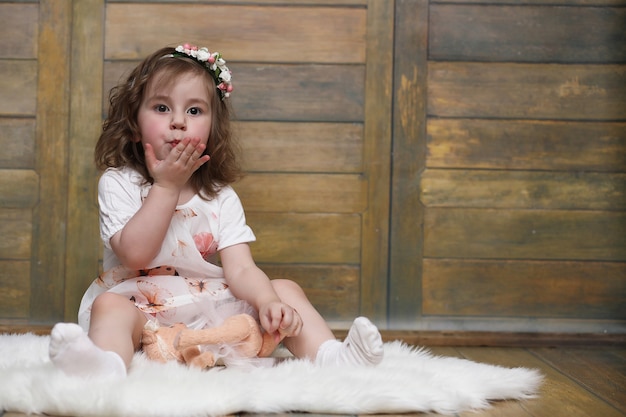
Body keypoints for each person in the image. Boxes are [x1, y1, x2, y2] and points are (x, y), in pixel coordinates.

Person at [49, 43, 383, 379]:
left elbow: (240, 269)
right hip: (139, 307)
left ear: (211, 129)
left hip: (205, 307)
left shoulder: (220, 196)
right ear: (135, 126)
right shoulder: (120, 182)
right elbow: (135, 256)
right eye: (162, 107)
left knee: (284, 289)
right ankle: (104, 365)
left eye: (194, 111)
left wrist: (267, 301)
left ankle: (332, 358)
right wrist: (165, 187)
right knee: (110, 307)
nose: (178, 122)